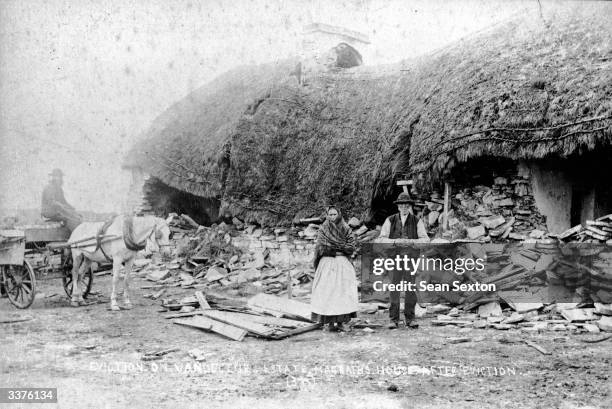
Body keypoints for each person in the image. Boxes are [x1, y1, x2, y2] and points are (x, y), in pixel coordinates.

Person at [379, 192, 429, 329]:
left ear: (410, 206)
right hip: (394, 259)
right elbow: (381, 239)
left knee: (410, 288)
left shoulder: (417, 221)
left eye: (407, 205)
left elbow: (425, 240)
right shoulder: (390, 220)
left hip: (411, 259)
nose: (404, 207)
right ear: (398, 206)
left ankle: (410, 318)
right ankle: (393, 319)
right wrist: (395, 241)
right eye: (402, 205)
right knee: (394, 288)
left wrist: (411, 242)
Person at [311, 206, 359, 332]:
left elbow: (351, 246)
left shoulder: (345, 228)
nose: (332, 217)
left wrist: (340, 247)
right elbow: (320, 246)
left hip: (342, 262)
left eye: (334, 214)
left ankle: (342, 322)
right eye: (330, 214)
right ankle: (330, 323)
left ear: (339, 214)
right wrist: (337, 247)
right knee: (328, 292)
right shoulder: (323, 228)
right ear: (327, 215)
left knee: (342, 292)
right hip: (327, 263)